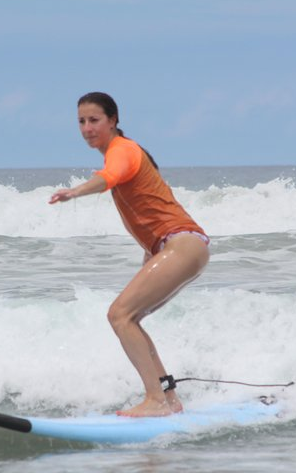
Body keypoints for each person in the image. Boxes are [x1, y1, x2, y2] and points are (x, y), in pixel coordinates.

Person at [49, 92, 210, 417]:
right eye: (81, 121)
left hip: (182, 242)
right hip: (180, 245)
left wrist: (75, 192)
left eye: (94, 120)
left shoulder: (123, 150)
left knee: (119, 315)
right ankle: (170, 398)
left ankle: (155, 401)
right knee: (130, 318)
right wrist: (151, 257)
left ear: (113, 121)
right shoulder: (123, 151)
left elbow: (109, 177)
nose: (87, 128)